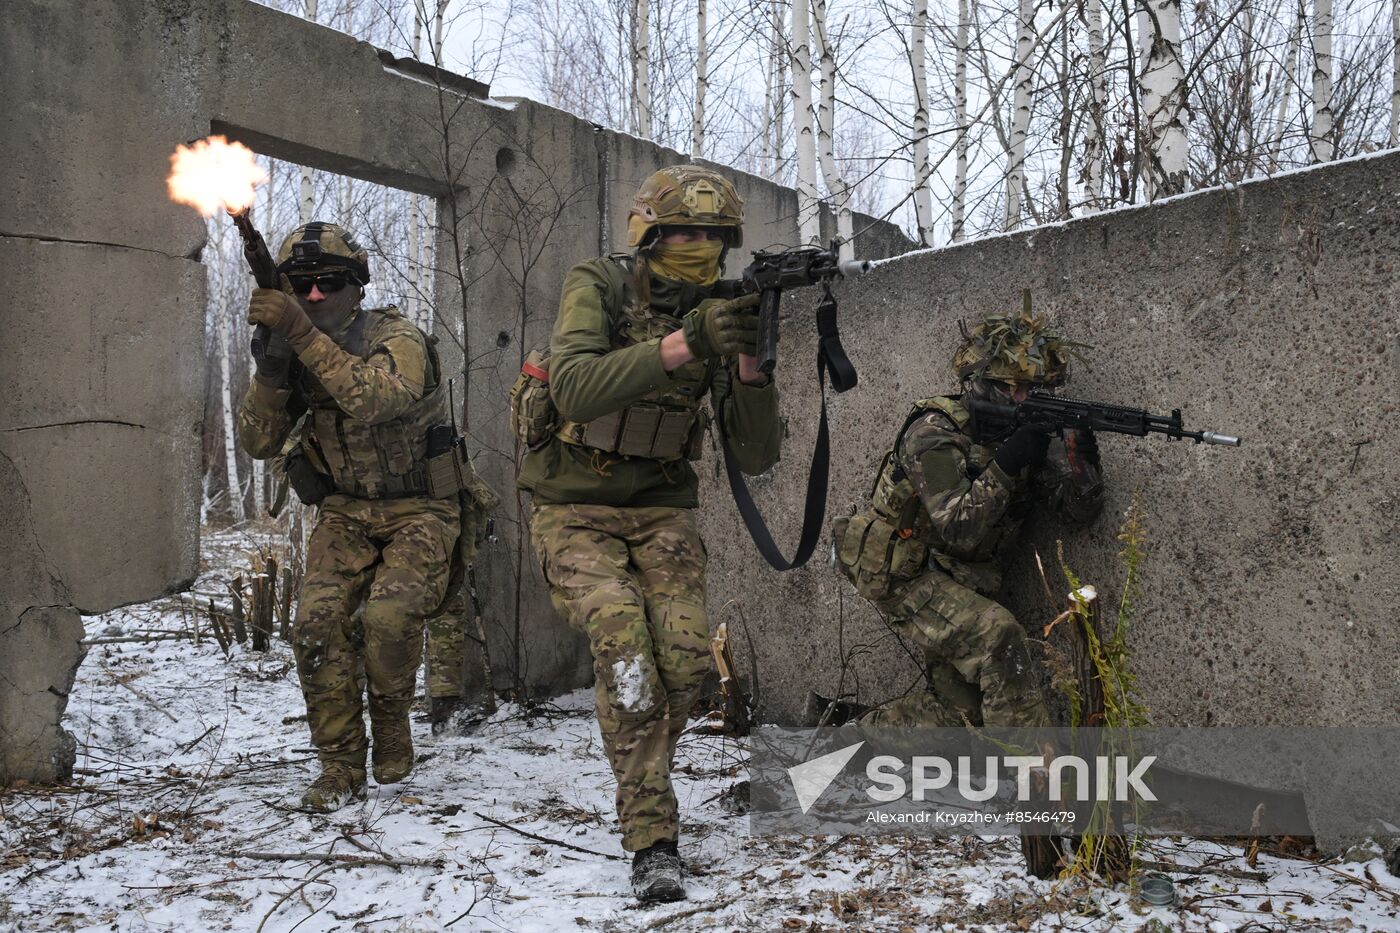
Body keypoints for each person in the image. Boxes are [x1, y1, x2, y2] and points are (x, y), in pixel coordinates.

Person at [515, 166, 782, 903]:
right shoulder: (598, 283)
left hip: (662, 505)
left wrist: (751, 356)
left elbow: (757, 454)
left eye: (712, 235)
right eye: (683, 232)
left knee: (688, 661)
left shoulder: (721, 306)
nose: (698, 246)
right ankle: (653, 838)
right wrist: (684, 341)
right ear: (650, 234)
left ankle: (642, 781)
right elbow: (573, 386)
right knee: (624, 645)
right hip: (573, 503)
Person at [237, 221, 487, 811]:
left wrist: (297, 330)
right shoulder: (297, 350)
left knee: (391, 616)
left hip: (420, 506)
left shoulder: (396, 336)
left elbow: (379, 400)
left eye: (328, 283)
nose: (315, 296)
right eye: (301, 285)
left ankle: (393, 725)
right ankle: (340, 766)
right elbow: (255, 441)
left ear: (356, 286)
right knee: (315, 627)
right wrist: (274, 370)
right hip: (346, 509)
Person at [824, 308, 1103, 733]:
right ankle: (1038, 784)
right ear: (981, 384)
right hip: (903, 572)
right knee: (998, 638)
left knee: (963, 714)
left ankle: (847, 744)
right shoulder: (933, 434)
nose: (1028, 399)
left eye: (1037, 388)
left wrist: (1083, 466)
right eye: (1018, 388)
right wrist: (1009, 460)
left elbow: (1073, 512)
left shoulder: (1020, 433)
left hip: (954, 577)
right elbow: (958, 527)